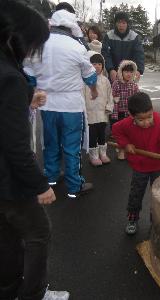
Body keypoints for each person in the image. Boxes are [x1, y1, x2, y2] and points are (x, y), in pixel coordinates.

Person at [0, 1, 69, 299]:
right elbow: (15, 146)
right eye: (33, 44)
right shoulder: (10, 77)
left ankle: (10, 289)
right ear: (16, 36)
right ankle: (35, 294)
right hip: (9, 181)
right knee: (39, 232)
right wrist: (40, 184)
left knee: (7, 235)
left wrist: (27, 96)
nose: (32, 51)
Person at [24, 9, 98, 199]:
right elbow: (90, 76)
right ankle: (74, 187)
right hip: (71, 105)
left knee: (51, 143)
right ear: (70, 27)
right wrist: (94, 89)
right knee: (72, 147)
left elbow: (29, 75)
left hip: (46, 103)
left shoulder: (38, 45)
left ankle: (52, 176)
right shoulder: (76, 47)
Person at [112, 92, 160, 235]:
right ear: (131, 115)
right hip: (139, 166)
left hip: (158, 166)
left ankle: (156, 221)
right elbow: (116, 130)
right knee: (136, 193)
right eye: (141, 120)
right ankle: (132, 219)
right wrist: (126, 144)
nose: (146, 122)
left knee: (159, 195)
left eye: (149, 117)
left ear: (152, 109)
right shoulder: (126, 124)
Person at [84, 51, 114, 166]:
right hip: (90, 114)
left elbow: (110, 95)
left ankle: (103, 154)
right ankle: (94, 156)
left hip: (103, 113)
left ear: (103, 66)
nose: (97, 66)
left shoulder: (105, 80)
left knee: (102, 134)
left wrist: (109, 107)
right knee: (92, 135)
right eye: (94, 64)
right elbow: (81, 96)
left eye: (99, 64)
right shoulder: (85, 81)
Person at [102, 12, 144, 83]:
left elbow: (139, 54)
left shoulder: (134, 37)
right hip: (114, 73)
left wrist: (139, 70)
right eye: (119, 22)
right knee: (113, 93)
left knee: (130, 93)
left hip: (129, 73)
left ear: (127, 24)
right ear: (115, 23)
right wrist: (110, 69)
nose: (121, 25)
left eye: (124, 23)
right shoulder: (109, 36)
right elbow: (106, 54)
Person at [111, 60, 140, 160]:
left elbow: (137, 99)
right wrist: (113, 115)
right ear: (121, 72)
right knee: (120, 134)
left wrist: (136, 113)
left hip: (130, 114)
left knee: (130, 133)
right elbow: (113, 98)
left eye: (131, 72)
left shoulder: (134, 85)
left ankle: (128, 151)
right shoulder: (116, 83)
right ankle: (121, 150)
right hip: (119, 112)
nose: (129, 74)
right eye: (126, 71)